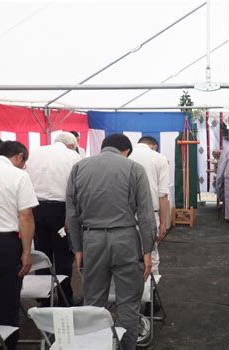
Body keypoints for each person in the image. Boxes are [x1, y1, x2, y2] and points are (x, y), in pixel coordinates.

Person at [66, 134, 157, 350]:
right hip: (125, 239)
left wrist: (77, 248)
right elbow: (145, 215)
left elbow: (71, 214)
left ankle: (96, 346)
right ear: (125, 151)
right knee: (128, 303)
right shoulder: (134, 169)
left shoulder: (79, 168)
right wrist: (147, 251)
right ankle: (126, 347)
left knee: (94, 302)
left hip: (91, 239)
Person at [0, 141, 38, 350]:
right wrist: (27, 252)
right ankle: (7, 346)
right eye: (23, 161)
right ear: (18, 156)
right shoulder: (18, 176)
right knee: (7, 302)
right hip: (4, 244)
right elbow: (25, 216)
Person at [25, 132, 81, 306]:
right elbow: (77, 187)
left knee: (42, 252)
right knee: (63, 254)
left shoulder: (35, 153)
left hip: (35, 207)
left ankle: (44, 298)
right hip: (61, 209)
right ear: (72, 145)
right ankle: (65, 298)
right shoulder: (74, 156)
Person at [129, 136, 170, 277]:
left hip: (125, 215)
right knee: (151, 254)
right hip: (150, 213)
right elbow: (163, 194)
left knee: (128, 255)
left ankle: (130, 293)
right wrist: (164, 223)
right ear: (153, 146)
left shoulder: (126, 156)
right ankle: (149, 295)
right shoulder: (159, 159)